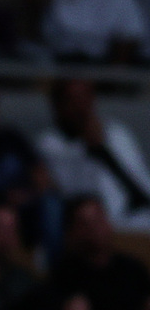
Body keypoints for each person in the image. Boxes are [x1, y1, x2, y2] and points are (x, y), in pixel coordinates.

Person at [34, 196, 150, 310]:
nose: (94, 228)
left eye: (98, 220)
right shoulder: (65, 274)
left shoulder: (133, 269)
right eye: (84, 223)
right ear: (71, 231)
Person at [38, 77, 150, 233]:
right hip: (100, 223)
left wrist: (104, 148)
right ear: (58, 105)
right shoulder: (51, 143)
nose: (80, 106)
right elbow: (72, 190)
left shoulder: (116, 132)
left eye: (85, 98)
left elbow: (140, 178)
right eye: (73, 100)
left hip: (141, 213)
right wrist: (90, 146)